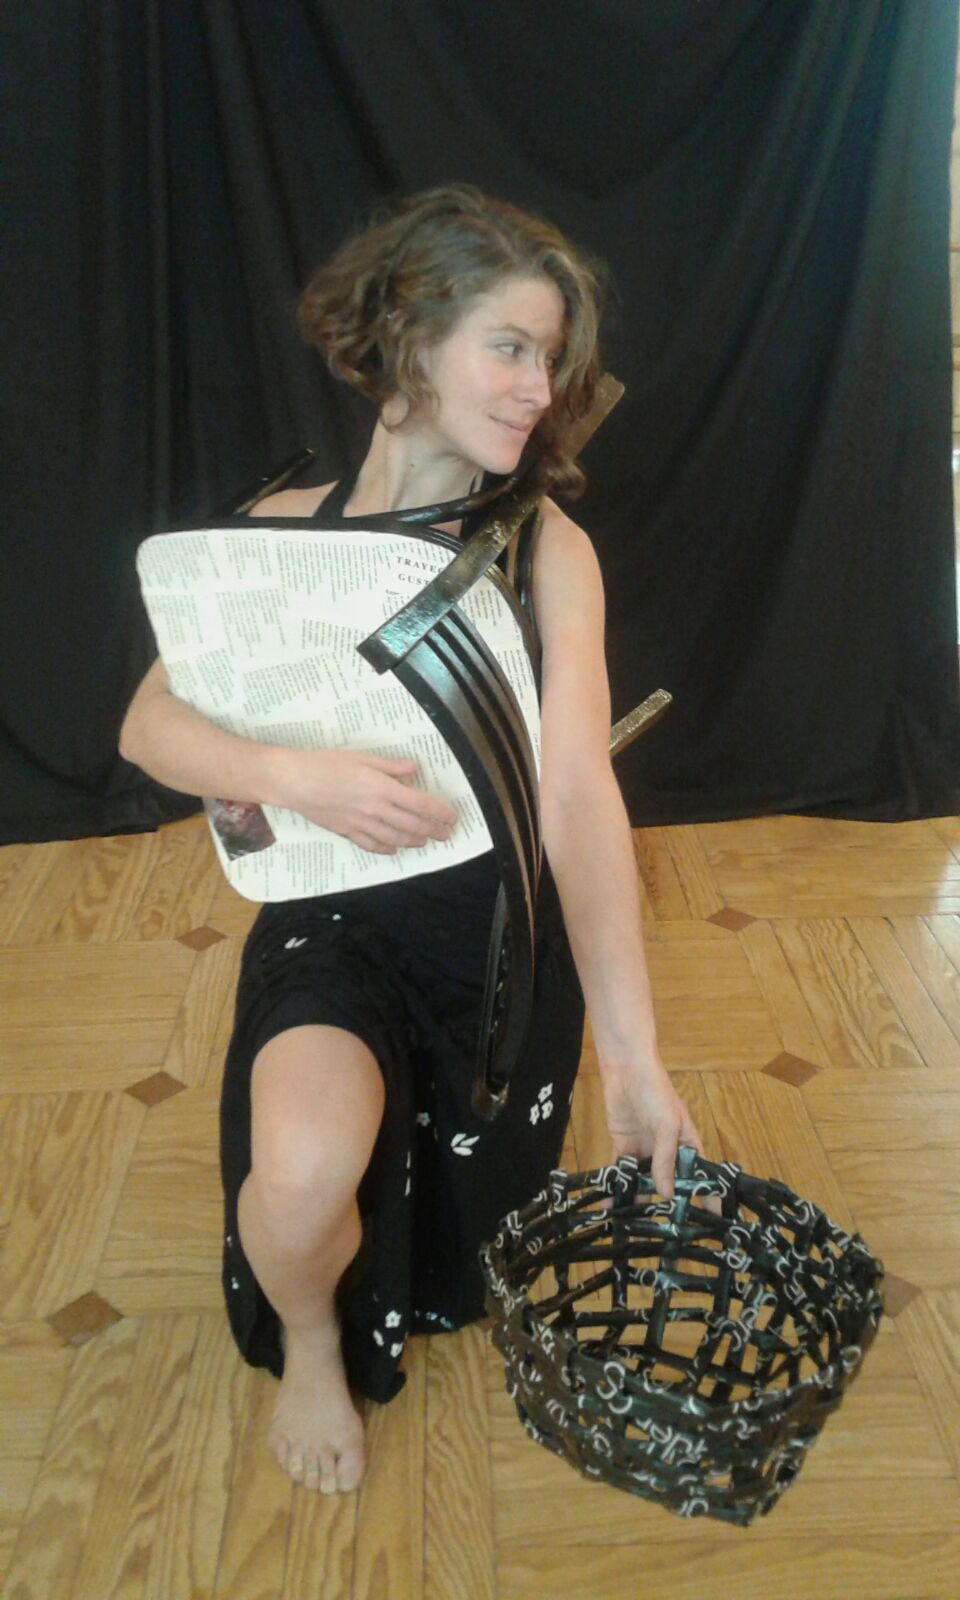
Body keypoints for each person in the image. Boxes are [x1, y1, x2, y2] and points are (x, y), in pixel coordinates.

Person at [119, 184, 703, 1498]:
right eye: (509, 346)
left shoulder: (546, 549)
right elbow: (151, 723)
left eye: (551, 358)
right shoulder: (279, 527)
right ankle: (312, 1341)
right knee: (300, 1176)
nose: (538, 387)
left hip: (499, 944)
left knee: (459, 1189)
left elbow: (575, 798)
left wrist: (632, 1055)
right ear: (409, 335)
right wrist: (290, 775)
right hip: (333, 927)